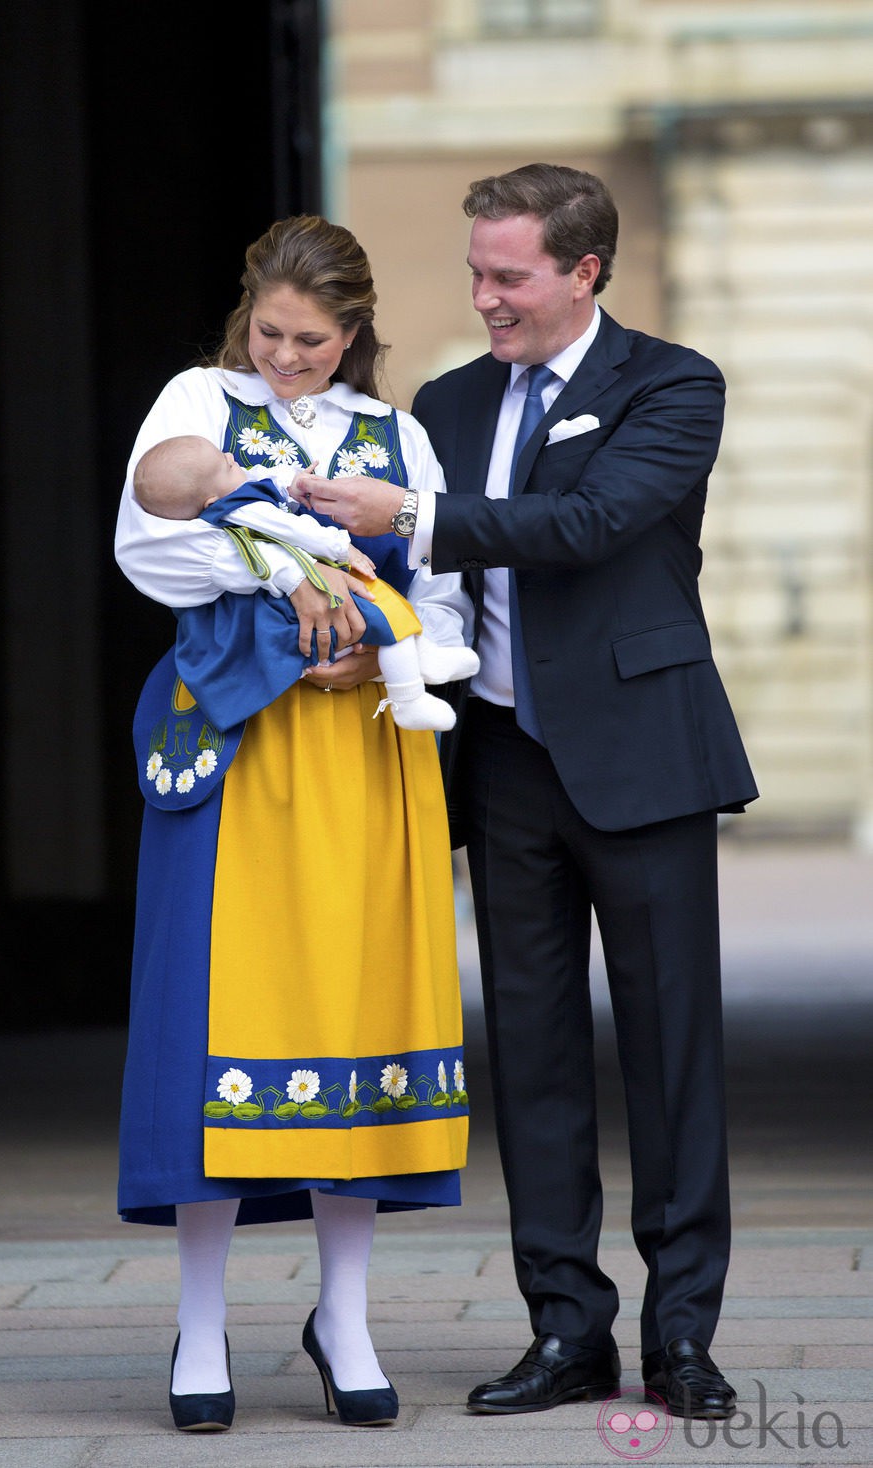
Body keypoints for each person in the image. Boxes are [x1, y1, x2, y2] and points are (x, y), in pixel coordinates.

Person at [293, 164, 759, 1422]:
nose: (484, 297)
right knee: (535, 1059)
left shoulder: (672, 383)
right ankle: (566, 1332)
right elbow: (410, 569)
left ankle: (680, 1340)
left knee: (672, 1057)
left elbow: (591, 520)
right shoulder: (445, 399)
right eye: (475, 274)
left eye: (507, 275)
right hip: (500, 762)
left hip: (643, 753)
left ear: (582, 270)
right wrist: (358, 624)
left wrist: (423, 516)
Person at [114, 214, 475, 1433]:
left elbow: (442, 588)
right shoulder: (196, 401)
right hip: (238, 737)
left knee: (353, 1006)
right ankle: (203, 1320)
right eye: (269, 332)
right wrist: (291, 575)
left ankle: (347, 1313)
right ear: (246, 317)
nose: (285, 357)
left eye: (312, 341)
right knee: (214, 1013)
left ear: (354, 333)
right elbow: (147, 546)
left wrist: (373, 642)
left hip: (364, 740)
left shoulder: (398, 434)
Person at [131, 433, 478, 732]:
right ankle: (409, 697)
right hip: (299, 604)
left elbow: (260, 478)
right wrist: (343, 549)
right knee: (381, 614)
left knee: (381, 615)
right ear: (212, 498)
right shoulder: (241, 509)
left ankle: (423, 657)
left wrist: (290, 483)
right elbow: (293, 529)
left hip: (296, 601)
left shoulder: (229, 499)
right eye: (225, 465)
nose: (231, 456)